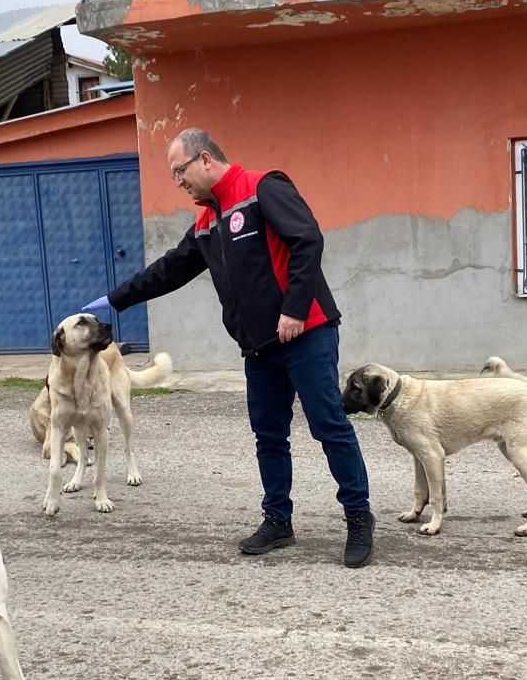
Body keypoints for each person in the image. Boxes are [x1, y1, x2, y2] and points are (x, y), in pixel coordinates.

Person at [82, 127, 375, 567]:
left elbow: (307, 239)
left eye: (179, 170)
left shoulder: (262, 187)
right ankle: (278, 520)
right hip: (259, 347)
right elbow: (169, 270)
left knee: (328, 425)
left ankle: (358, 517)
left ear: (204, 159)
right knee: (268, 435)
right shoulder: (207, 221)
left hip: (306, 333)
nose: (177, 181)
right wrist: (115, 298)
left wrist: (295, 309)